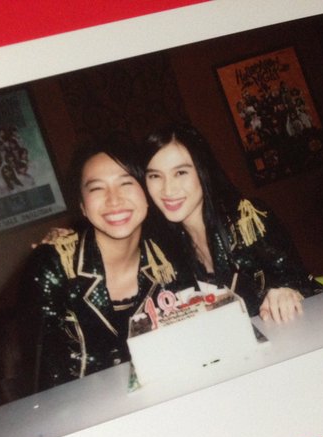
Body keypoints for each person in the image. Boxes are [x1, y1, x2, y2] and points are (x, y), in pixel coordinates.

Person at [17, 139, 193, 391]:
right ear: (82, 206)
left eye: (126, 183)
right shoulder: (54, 267)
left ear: (148, 195)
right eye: (97, 188)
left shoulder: (168, 263)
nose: (113, 200)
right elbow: (43, 379)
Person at [140, 123, 323, 323]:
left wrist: (286, 291)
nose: (168, 189)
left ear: (203, 171)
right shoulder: (160, 251)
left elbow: (301, 281)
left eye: (181, 172)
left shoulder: (247, 221)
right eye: (155, 176)